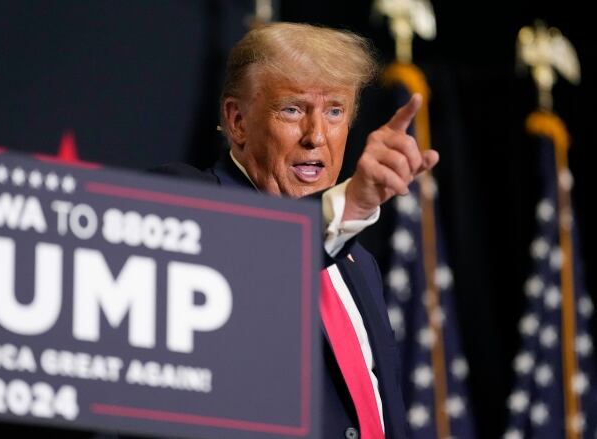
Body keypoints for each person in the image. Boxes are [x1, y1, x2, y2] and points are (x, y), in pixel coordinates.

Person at [158, 22, 439, 438]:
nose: (316, 136)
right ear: (237, 121)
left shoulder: (358, 263)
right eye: (292, 109)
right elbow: (249, 260)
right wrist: (353, 203)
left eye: (335, 111)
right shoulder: (188, 203)